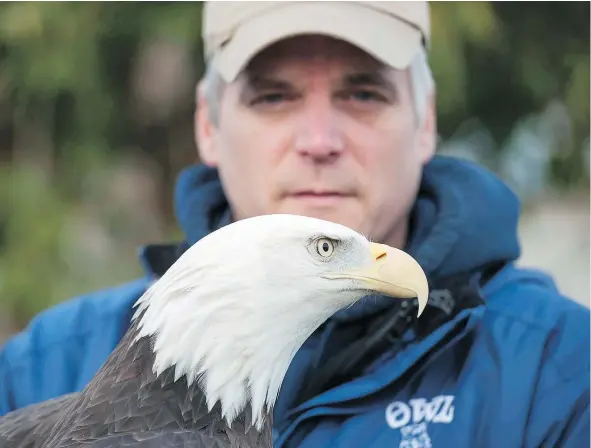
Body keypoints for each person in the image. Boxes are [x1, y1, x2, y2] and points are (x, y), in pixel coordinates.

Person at [0, 2, 588, 447]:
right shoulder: (39, 367)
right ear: (207, 125)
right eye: (274, 97)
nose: (318, 142)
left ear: (425, 122)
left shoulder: (557, 371)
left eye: (362, 93)